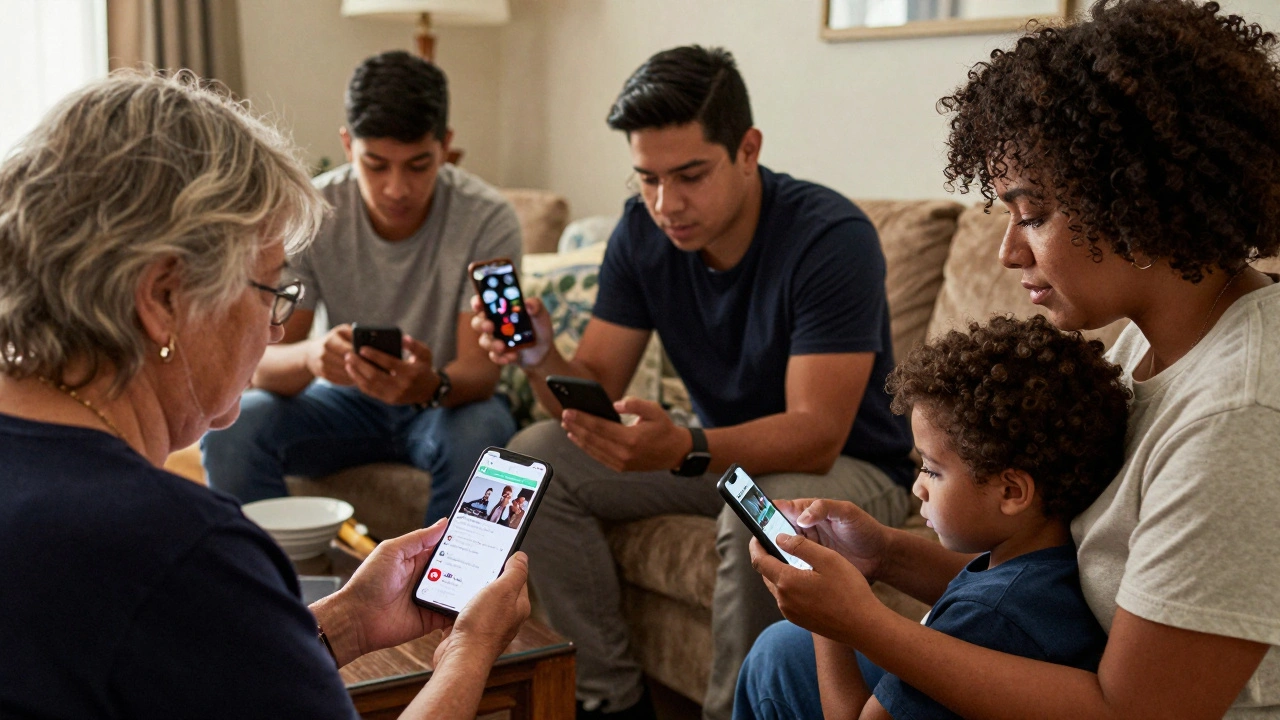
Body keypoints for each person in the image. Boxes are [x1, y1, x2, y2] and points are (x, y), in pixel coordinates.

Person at [739, 1, 1280, 717]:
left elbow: (1132, 711)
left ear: (1137, 201)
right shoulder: (1148, 344)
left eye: (1033, 216)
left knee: (792, 662)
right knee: (780, 654)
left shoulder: (1237, 418)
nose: (1008, 252)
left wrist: (856, 622)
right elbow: (1048, 593)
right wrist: (882, 555)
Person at [0, 70, 530, 719]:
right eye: (272, 291)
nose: (274, 328)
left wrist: (350, 619)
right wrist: (471, 649)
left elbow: (207, 668)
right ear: (163, 298)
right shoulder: (186, 551)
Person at [475, 45, 915, 720]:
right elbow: (593, 388)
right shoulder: (642, 232)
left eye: (689, 176)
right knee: (534, 458)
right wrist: (539, 356)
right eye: (648, 178)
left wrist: (684, 446)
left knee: (757, 512)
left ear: (748, 149)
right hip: (717, 455)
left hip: (849, 467)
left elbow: (817, 434)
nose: (666, 204)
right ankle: (608, 702)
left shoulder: (830, 237)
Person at [739, 315, 1131, 719]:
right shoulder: (1048, 565)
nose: (918, 487)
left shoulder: (987, 617)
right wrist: (880, 553)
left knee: (775, 664)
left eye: (931, 470)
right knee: (777, 652)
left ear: (1012, 492)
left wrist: (830, 626)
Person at [202, 50, 521, 527]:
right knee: (237, 424)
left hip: (444, 405)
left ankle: (445, 577)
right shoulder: (313, 210)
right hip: (343, 403)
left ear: (446, 146)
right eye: (376, 165)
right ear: (348, 145)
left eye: (418, 165)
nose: (396, 188)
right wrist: (313, 358)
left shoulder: (489, 219)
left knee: (484, 431)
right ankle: (261, 572)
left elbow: (481, 373)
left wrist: (430, 384)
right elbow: (261, 364)